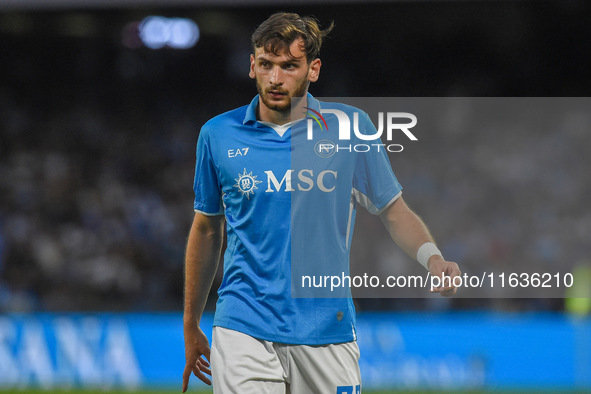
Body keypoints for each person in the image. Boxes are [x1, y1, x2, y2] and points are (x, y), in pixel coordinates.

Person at [182, 12, 461, 393]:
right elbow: (206, 228)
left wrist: (433, 258)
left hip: (326, 328)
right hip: (243, 325)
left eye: (289, 67)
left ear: (313, 69)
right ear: (252, 66)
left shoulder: (351, 128)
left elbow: (393, 211)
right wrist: (191, 323)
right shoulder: (217, 135)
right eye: (266, 65)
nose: (275, 78)